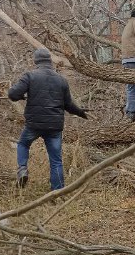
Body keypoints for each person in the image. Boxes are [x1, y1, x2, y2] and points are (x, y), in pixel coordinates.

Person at [8, 48, 88, 190]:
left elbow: (13, 94)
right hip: (54, 126)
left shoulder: (30, 76)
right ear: (50, 61)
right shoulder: (61, 80)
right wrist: (81, 112)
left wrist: (21, 96)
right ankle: (57, 192)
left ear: (36, 61)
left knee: (23, 144)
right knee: (56, 161)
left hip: (34, 124)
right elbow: (68, 105)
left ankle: (22, 169)